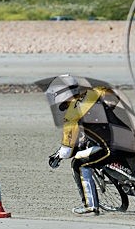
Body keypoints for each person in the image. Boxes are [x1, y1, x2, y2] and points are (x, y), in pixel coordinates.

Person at [46, 75, 120, 215]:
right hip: (126, 135)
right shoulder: (96, 92)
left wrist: (57, 156)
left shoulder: (71, 115)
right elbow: (114, 99)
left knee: (78, 164)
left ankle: (90, 206)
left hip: (109, 147)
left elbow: (67, 150)